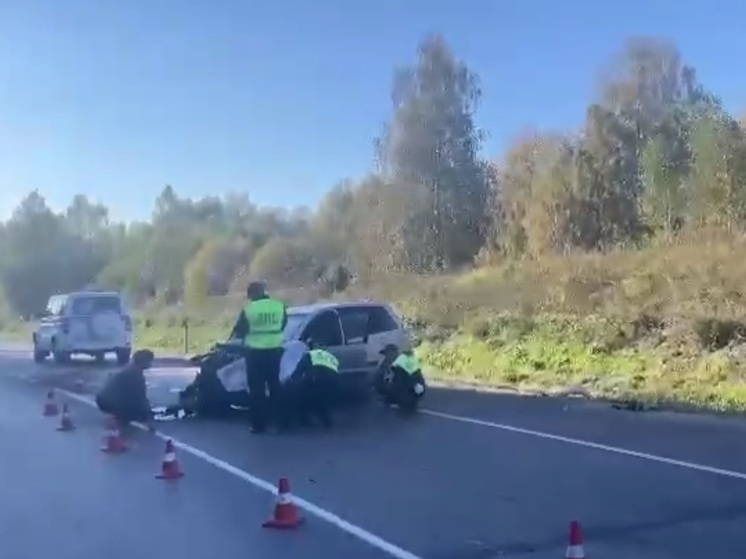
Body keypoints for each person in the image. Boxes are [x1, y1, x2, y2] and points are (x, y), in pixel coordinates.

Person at [229, 280, 288, 434]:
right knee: (275, 386)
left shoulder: (249, 310)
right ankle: (283, 422)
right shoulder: (279, 306)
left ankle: (259, 425)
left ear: (252, 294)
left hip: (255, 353)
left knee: (257, 390)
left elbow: (240, 331)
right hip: (275, 351)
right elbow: (283, 325)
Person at [95, 349, 155, 430]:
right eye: (150, 361)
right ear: (145, 361)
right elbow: (140, 397)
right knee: (138, 411)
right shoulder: (135, 374)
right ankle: (121, 417)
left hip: (103, 399)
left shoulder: (129, 369)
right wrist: (148, 417)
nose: (151, 364)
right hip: (110, 402)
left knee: (133, 404)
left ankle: (122, 415)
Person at [294, 339, 339, 429]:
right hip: (332, 384)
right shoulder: (331, 356)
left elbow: (298, 371)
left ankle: (304, 418)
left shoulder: (310, 354)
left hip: (317, 381)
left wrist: (292, 381)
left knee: (305, 393)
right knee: (323, 400)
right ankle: (326, 419)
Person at [380, 347, 426, 413]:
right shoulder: (410, 361)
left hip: (405, 392)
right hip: (414, 389)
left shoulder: (397, 363)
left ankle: (399, 400)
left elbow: (392, 379)